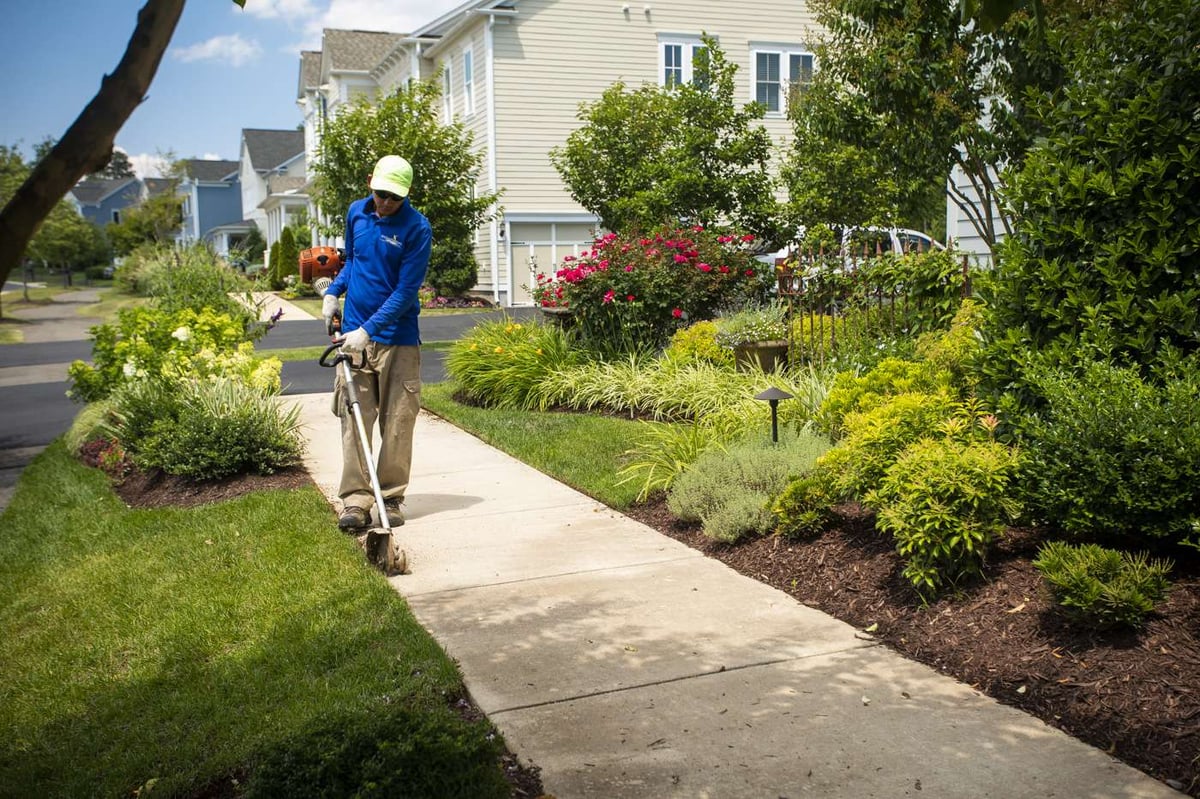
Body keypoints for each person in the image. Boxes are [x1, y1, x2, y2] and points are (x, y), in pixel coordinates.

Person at [322, 155, 432, 530]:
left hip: (397, 340)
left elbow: (405, 293)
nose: (386, 203)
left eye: (394, 198)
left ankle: (391, 497)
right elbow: (352, 261)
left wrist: (367, 330)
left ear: (406, 195)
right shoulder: (356, 213)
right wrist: (333, 292)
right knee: (354, 419)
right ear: (370, 183)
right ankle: (355, 501)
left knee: (398, 422)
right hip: (352, 338)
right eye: (381, 194)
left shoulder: (417, 228)